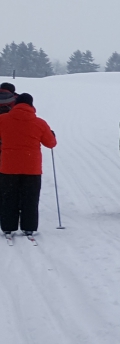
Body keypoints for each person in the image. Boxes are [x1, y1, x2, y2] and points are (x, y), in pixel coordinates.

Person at [0, 93, 56, 240]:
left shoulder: (2, 119)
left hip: (8, 166)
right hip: (32, 168)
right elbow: (51, 144)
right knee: (30, 198)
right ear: (31, 105)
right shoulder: (39, 123)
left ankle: (8, 227)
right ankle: (29, 228)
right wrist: (52, 135)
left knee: (8, 198)